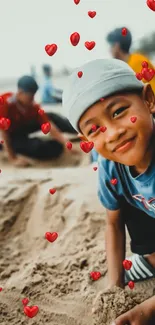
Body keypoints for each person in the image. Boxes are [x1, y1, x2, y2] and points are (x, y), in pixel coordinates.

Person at [63, 58, 155, 321]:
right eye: (95, 129)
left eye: (118, 112)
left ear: (148, 99)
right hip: (148, 211)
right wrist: (114, 285)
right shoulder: (110, 165)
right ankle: (149, 259)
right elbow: (113, 223)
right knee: (121, 202)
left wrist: (148, 309)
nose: (113, 133)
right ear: (87, 141)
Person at [0, 75, 77, 167]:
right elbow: (3, 132)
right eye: (30, 97)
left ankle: (77, 130)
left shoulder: (32, 106)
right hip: (10, 135)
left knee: (51, 116)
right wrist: (12, 158)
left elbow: (48, 124)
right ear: (20, 93)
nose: (32, 99)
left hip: (23, 126)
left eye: (34, 96)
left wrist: (66, 143)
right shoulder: (6, 102)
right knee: (38, 147)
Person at [106, 27, 155, 93]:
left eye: (111, 45)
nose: (109, 50)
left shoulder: (137, 63)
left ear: (117, 46)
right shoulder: (127, 65)